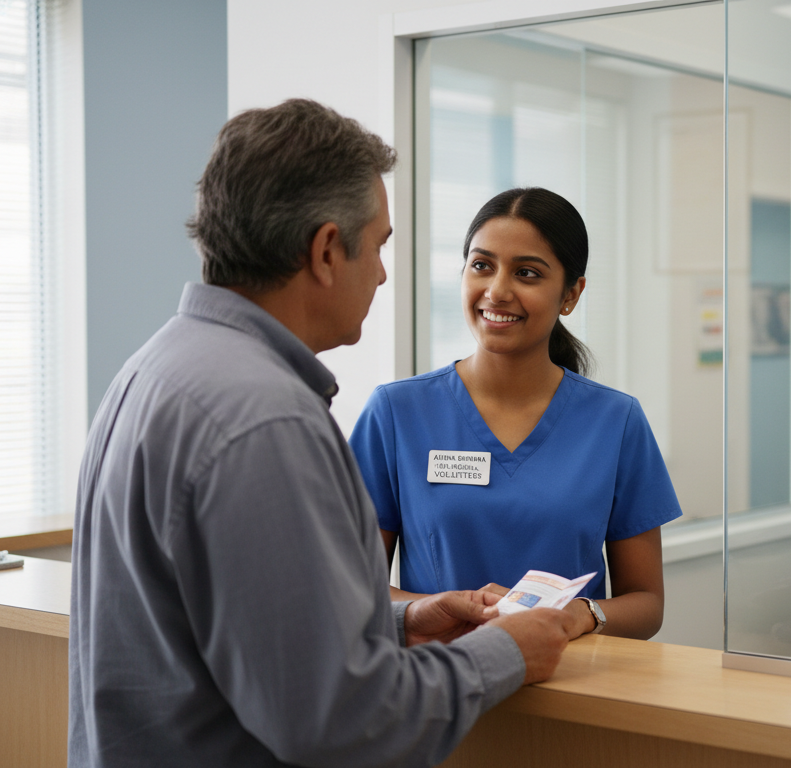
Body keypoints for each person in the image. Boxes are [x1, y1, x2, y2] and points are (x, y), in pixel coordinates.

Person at [68, 99, 570, 768]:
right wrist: (504, 653)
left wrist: (399, 622)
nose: (385, 273)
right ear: (328, 249)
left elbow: (232, 627)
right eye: (381, 245)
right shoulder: (263, 421)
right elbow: (342, 723)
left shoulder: (158, 367)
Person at [349, 187, 682, 641]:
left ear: (571, 294)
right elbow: (351, 590)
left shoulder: (616, 422)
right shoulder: (396, 413)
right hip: (434, 689)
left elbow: (646, 604)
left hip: (572, 690)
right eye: (482, 265)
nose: (497, 290)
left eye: (527, 273)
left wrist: (579, 615)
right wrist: (440, 609)